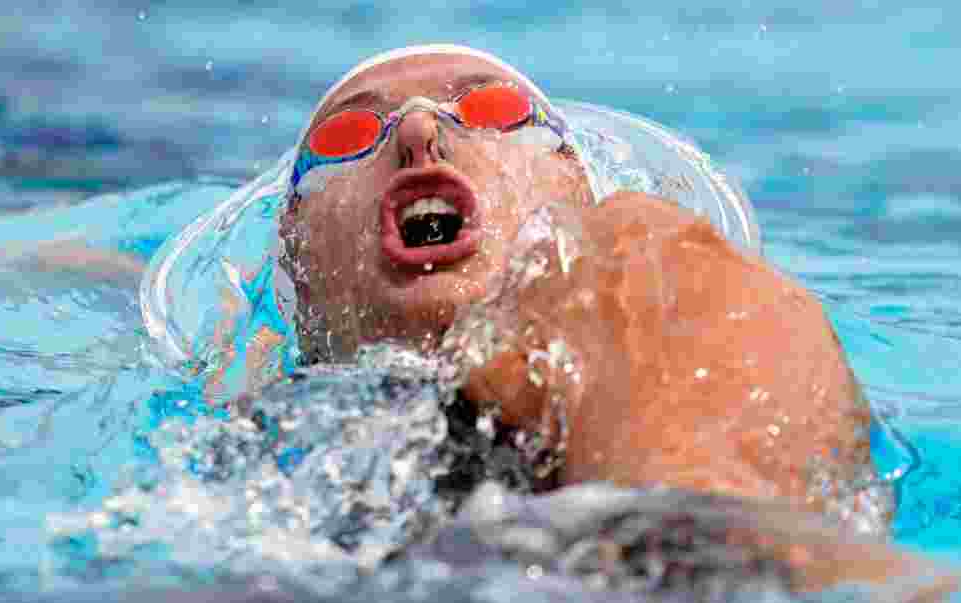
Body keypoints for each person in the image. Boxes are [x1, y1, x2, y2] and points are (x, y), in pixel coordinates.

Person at [276, 44, 888, 529]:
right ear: (297, 251)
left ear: (575, 187)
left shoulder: (699, 308)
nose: (416, 133)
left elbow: (742, 574)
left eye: (493, 109)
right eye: (348, 134)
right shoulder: (258, 446)